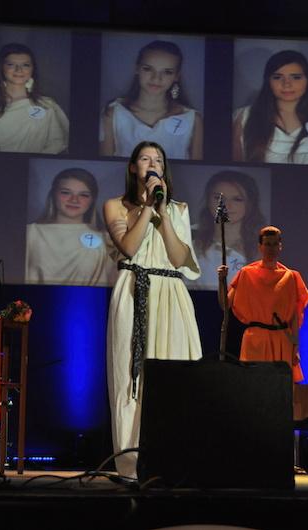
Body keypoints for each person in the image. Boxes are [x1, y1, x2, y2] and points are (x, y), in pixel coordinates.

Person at [104, 141, 202, 479]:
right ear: (133, 167)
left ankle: (175, 460)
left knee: (177, 375)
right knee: (131, 379)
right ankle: (132, 465)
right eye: (145, 158)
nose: (152, 163)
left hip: (171, 293)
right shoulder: (115, 206)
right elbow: (129, 247)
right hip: (134, 291)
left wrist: (164, 214)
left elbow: (178, 258)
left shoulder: (178, 209)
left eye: (158, 159)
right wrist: (147, 207)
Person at [218, 226, 308, 382]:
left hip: (281, 340)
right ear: (260, 247)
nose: (271, 248)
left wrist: (296, 347)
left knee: (279, 388)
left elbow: (294, 316)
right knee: (254, 385)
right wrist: (221, 280)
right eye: (267, 244)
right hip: (255, 340)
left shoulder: (290, 277)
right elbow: (225, 305)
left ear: (280, 246)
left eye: (274, 244)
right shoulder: (247, 273)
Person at [100, 40, 203, 160]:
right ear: (137, 69)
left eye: (167, 72)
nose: (156, 78)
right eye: (148, 69)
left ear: (176, 76)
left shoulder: (193, 120)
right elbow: (105, 162)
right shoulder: (113, 113)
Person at [232, 49, 308, 165]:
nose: (287, 84)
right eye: (277, 77)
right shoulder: (243, 118)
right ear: (268, 81)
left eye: (296, 77)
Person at [0, 43, 69, 154]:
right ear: (1, 68)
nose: (19, 70)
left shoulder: (47, 104)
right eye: (11, 65)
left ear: (32, 69)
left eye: (25, 65)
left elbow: (57, 143)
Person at [25, 167, 113, 286]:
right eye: (66, 193)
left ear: (92, 200)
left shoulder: (107, 239)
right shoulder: (30, 233)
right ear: (53, 194)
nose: (74, 200)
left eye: (83, 195)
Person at [190, 170, 266, 290]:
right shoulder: (191, 245)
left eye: (237, 199)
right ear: (208, 200)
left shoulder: (261, 249)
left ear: (250, 204)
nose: (226, 205)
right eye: (218, 198)